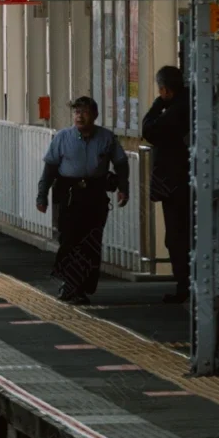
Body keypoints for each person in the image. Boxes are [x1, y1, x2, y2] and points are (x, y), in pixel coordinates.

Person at [34, 96, 129, 305]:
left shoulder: (106, 138)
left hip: (95, 194)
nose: (79, 116)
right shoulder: (62, 138)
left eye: (84, 111)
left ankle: (82, 286)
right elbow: (49, 169)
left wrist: (124, 189)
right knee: (69, 240)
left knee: (91, 243)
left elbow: (121, 163)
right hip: (69, 195)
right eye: (76, 112)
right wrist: (42, 195)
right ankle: (69, 284)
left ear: (94, 115)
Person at [141, 66, 192, 304]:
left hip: (176, 185)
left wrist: (156, 105)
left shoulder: (175, 109)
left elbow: (149, 130)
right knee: (187, 235)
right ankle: (188, 285)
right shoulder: (191, 103)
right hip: (187, 183)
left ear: (165, 89)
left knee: (176, 237)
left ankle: (185, 287)